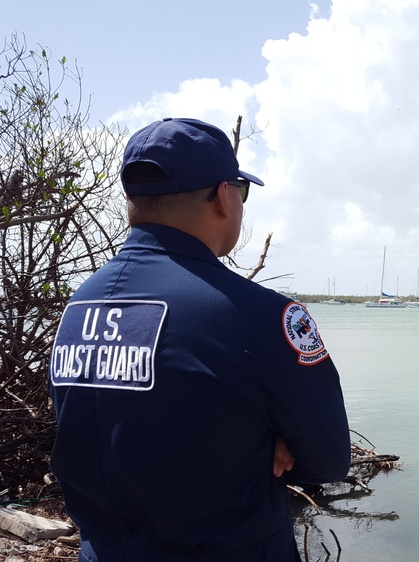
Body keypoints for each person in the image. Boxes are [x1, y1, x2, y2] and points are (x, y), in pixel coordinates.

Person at [48, 118, 352, 561]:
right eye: (242, 192)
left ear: (133, 200)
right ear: (225, 197)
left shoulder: (81, 307)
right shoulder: (258, 315)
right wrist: (273, 442)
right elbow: (328, 459)